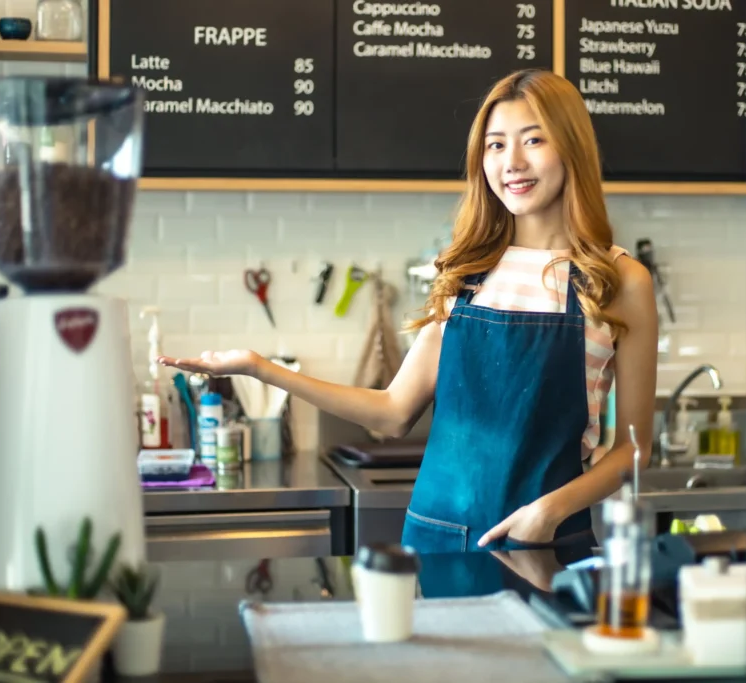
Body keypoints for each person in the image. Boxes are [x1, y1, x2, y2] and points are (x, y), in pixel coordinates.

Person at [158, 69, 657, 553]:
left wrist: (547, 512)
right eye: (496, 145)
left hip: (545, 544)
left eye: (533, 140)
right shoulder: (467, 274)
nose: (512, 163)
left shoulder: (617, 282)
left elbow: (634, 449)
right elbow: (394, 412)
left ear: (572, 147)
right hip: (437, 536)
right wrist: (260, 369)